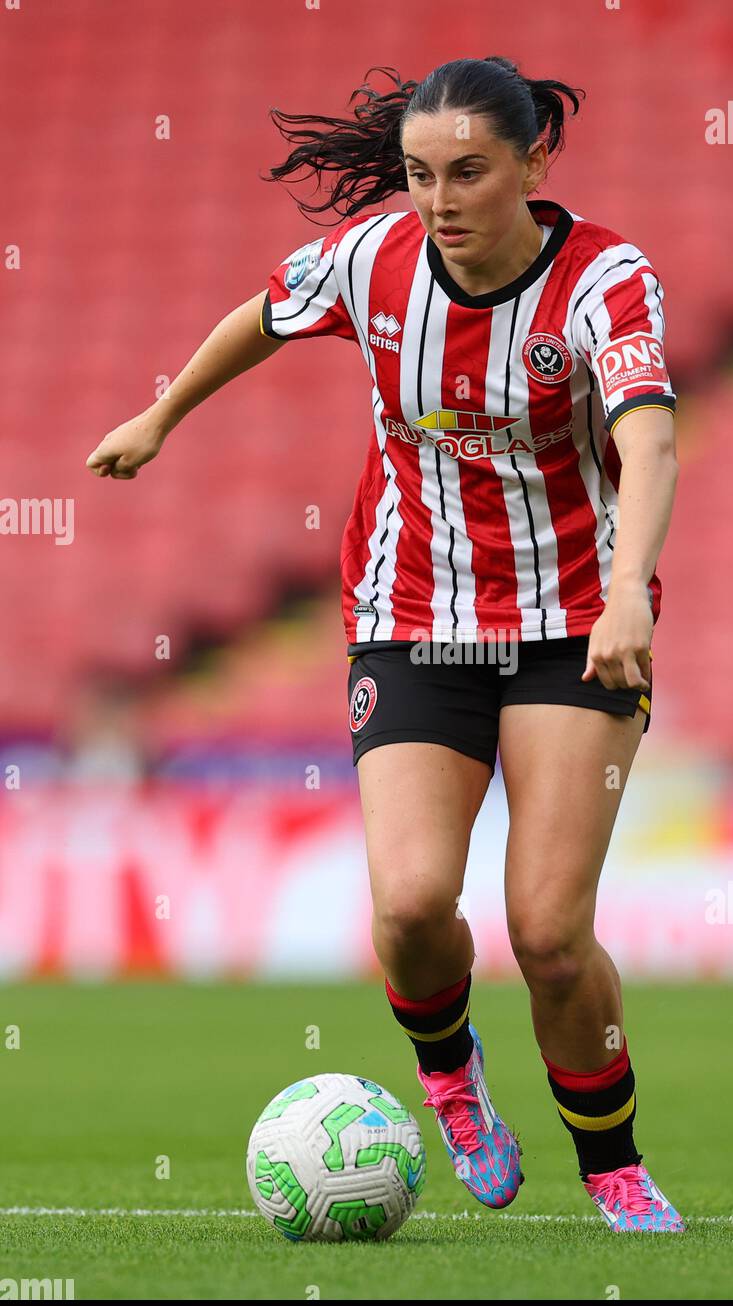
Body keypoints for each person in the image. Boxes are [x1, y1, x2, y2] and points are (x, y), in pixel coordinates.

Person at [86, 56, 683, 1234]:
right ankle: (450, 1079)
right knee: (412, 905)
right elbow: (258, 316)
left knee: (550, 936)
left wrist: (627, 595)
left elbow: (651, 441)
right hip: (411, 615)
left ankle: (612, 1163)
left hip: (573, 625)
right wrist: (160, 415)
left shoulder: (606, 278)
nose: (440, 201)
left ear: (532, 164)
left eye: (468, 173)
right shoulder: (373, 258)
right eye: (419, 176)